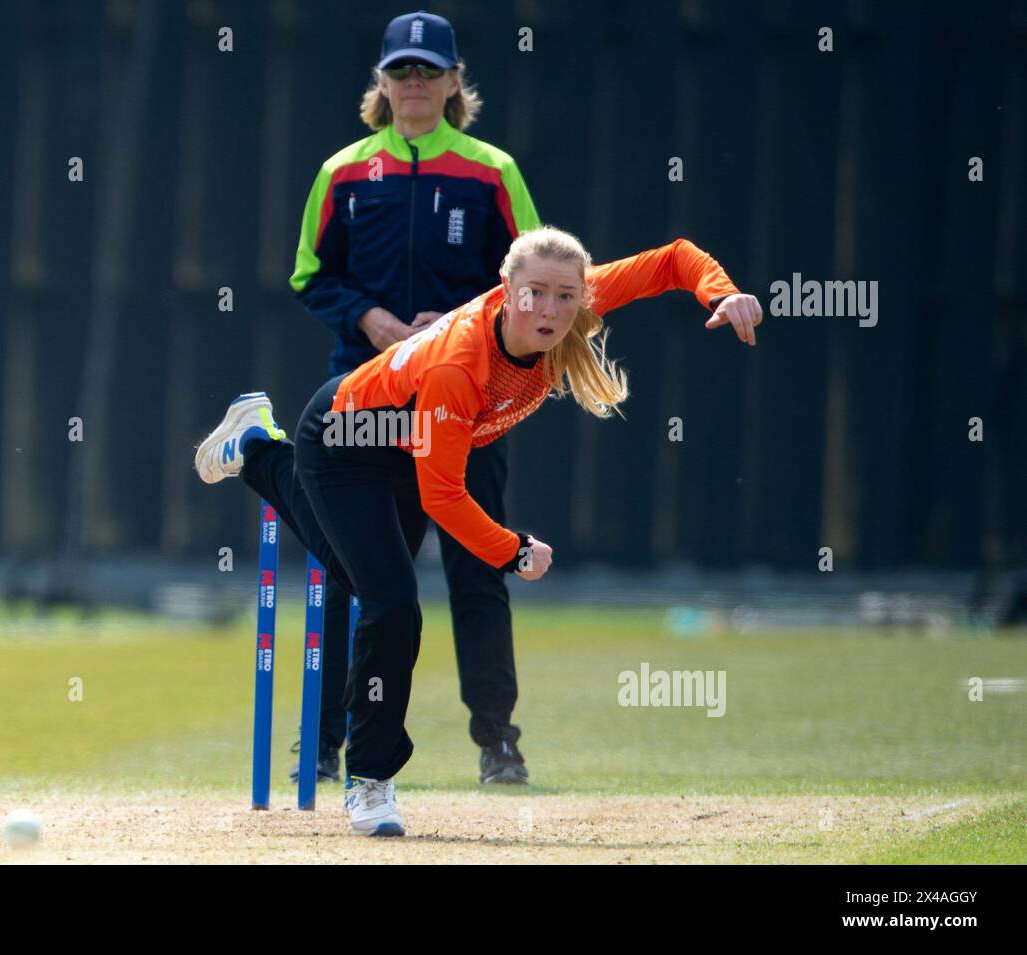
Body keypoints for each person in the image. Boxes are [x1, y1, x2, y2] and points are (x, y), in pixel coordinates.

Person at [197, 226, 763, 836]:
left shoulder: (576, 298)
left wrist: (721, 293)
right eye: (535, 294)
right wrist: (513, 550)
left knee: (363, 581)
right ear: (507, 286)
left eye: (565, 297)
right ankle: (370, 783)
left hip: (413, 450)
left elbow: (673, 259)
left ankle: (257, 448)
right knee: (392, 607)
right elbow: (443, 497)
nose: (550, 310)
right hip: (344, 441)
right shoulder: (460, 363)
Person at [289, 9, 543, 785]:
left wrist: (458, 326)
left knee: (478, 567)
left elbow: (531, 284)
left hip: (469, 401)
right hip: (366, 406)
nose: (414, 85)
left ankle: (498, 740)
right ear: (382, 83)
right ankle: (325, 742)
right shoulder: (343, 173)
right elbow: (309, 273)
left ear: (454, 80)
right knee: (351, 574)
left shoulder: (491, 170)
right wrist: (371, 320)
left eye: (429, 71)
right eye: (401, 71)